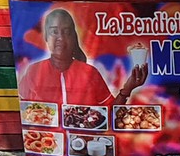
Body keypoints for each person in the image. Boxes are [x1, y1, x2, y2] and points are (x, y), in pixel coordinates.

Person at [18, 8, 147, 106]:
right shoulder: (34, 71)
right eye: (54, 32)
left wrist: (127, 89)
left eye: (66, 32)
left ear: (73, 37)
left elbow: (109, 114)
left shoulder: (90, 73)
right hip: (44, 135)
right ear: (46, 37)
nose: (60, 37)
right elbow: (24, 110)